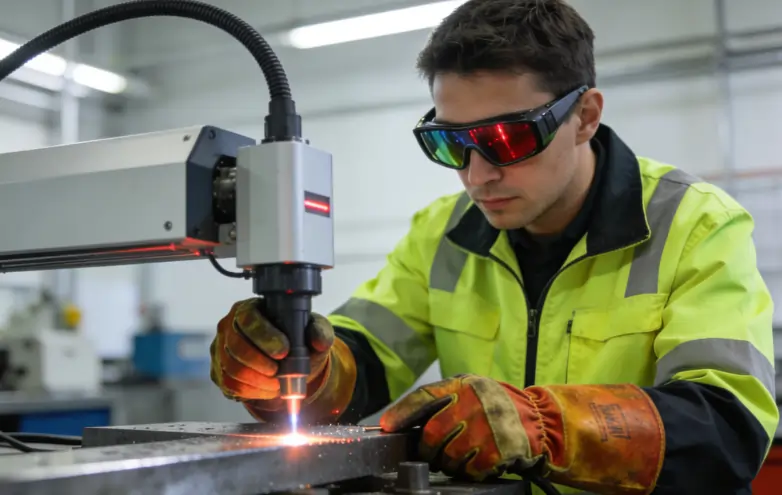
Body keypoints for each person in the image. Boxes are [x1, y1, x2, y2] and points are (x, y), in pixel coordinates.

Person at [209, 0, 778, 493]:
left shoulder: (695, 224)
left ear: (585, 116)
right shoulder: (442, 231)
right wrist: (300, 366)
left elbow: (728, 430)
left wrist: (546, 427)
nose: (477, 176)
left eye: (507, 139)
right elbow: (365, 357)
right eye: (451, 143)